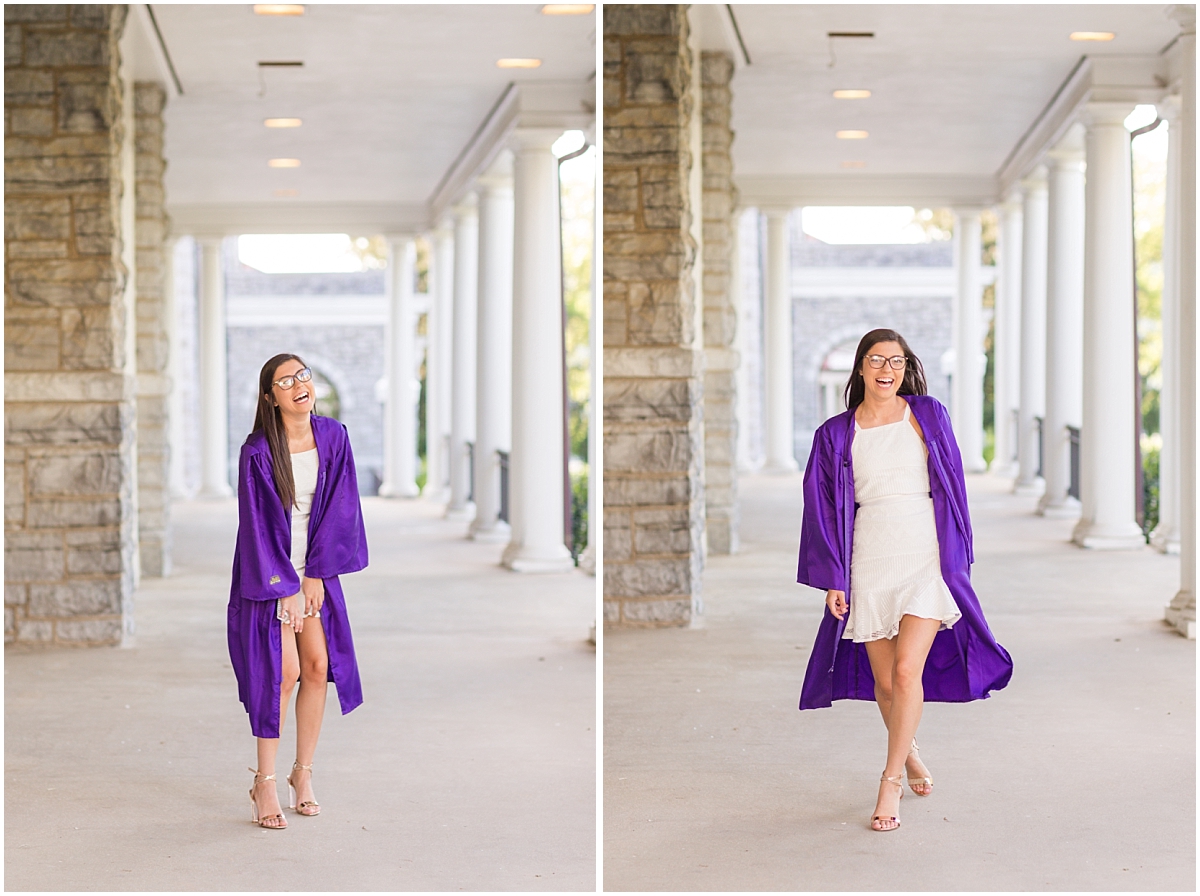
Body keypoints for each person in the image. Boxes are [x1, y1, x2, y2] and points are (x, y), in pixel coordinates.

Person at [796, 328, 1012, 832]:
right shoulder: (834, 434)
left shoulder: (928, 415)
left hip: (924, 553)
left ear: (905, 367)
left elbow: (954, 484)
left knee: (907, 672)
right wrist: (834, 578)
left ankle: (888, 780)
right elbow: (822, 509)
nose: (886, 370)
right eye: (876, 360)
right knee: (884, 682)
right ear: (861, 368)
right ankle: (910, 751)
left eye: (896, 361)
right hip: (870, 556)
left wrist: (957, 556)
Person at [228, 353, 368, 829]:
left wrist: (315, 576)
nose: (298, 384)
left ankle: (301, 774)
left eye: (302, 375)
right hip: (271, 576)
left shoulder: (333, 437)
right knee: (281, 674)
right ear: (270, 397)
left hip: (315, 571)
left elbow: (342, 508)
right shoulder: (258, 452)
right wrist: (285, 586)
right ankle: (263, 781)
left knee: (316, 666)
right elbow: (257, 528)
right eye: (285, 381)